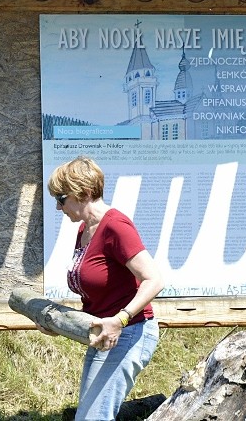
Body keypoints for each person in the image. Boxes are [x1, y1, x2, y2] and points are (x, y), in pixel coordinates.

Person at [44, 156, 163, 421]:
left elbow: (153, 279)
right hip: (106, 336)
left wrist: (120, 319)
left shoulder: (115, 226)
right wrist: (56, 323)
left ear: (84, 193)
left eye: (61, 199)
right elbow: (97, 295)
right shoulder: (86, 230)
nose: (57, 207)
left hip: (130, 333)